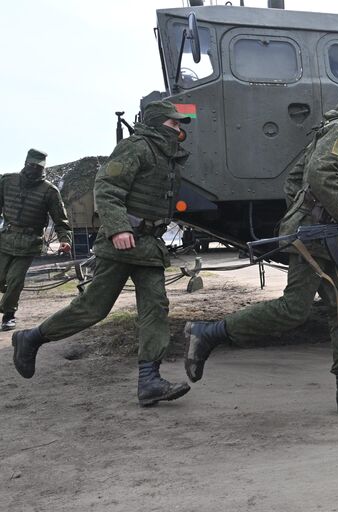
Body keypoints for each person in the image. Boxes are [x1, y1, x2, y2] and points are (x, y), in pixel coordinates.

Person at [184, 80, 338, 415]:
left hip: (317, 233)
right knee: (293, 310)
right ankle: (208, 333)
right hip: (314, 235)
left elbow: (294, 180)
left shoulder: (331, 129)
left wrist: (309, 213)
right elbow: (321, 173)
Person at [12, 101, 193, 407]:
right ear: (159, 123)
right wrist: (119, 228)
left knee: (155, 307)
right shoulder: (136, 147)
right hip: (122, 243)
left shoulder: (167, 157)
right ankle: (30, 338)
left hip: (148, 246)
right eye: (175, 123)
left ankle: (149, 380)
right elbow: (107, 187)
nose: (180, 128)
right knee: (93, 308)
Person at [0, 149, 72, 331]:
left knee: (15, 280)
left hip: (29, 243)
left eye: (38, 167)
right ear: (25, 163)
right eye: (31, 165)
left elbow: (61, 220)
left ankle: (8, 315)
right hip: (5, 239)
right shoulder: (7, 181)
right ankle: (7, 298)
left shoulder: (50, 191)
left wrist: (65, 239)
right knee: (2, 278)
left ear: (43, 169)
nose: (34, 170)